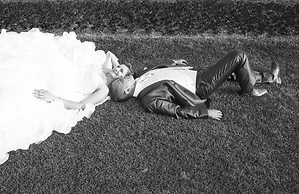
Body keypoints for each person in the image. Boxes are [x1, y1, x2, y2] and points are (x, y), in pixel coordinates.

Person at [0, 28, 132, 165]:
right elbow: (111, 54)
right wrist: (121, 69)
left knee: (19, 88)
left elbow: (81, 105)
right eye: (119, 67)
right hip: (66, 70)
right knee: (25, 60)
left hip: (66, 85)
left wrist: (54, 97)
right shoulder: (107, 68)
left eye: (120, 73)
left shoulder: (104, 90)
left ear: (119, 82)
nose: (117, 69)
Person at [109, 50, 281, 120]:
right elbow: (176, 111)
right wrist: (205, 112)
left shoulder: (139, 76)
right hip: (201, 85)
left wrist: (173, 62)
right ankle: (249, 90)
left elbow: (158, 70)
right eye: (120, 80)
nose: (122, 76)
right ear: (126, 90)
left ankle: (269, 77)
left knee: (232, 71)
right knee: (238, 56)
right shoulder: (149, 100)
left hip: (195, 72)